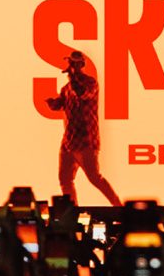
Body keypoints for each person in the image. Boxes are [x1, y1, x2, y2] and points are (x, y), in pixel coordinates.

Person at [45, 51, 121, 206]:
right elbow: (60, 105)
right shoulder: (66, 88)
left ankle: (118, 207)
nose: (72, 66)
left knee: (94, 177)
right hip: (68, 141)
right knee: (65, 179)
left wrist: (73, 77)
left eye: (75, 64)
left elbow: (82, 94)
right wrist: (52, 103)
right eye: (71, 63)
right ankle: (72, 211)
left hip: (86, 140)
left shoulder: (90, 83)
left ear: (82, 65)